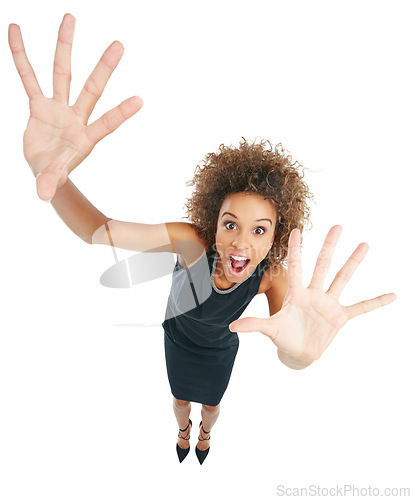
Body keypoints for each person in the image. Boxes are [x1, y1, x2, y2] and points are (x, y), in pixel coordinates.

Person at [8, 13, 397, 465]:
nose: (240, 243)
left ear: (274, 238)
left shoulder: (271, 277)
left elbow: (290, 341)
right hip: (177, 340)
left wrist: (301, 358)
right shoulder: (190, 242)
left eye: (259, 230)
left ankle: (205, 434)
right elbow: (98, 231)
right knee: (179, 401)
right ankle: (182, 429)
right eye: (231, 224)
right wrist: (49, 172)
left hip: (218, 352)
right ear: (213, 221)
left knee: (212, 405)